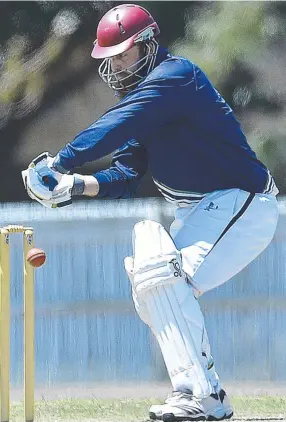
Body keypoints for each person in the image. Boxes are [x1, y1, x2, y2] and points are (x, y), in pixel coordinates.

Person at [23, 4, 278, 421]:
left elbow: (120, 124)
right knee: (150, 281)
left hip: (242, 202)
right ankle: (194, 394)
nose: (115, 66)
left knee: (162, 277)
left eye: (122, 54)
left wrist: (59, 163)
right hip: (200, 212)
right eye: (109, 58)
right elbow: (125, 175)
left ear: (147, 45)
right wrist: (73, 186)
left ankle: (204, 395)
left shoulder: (177, 77)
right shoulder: (142, 99)